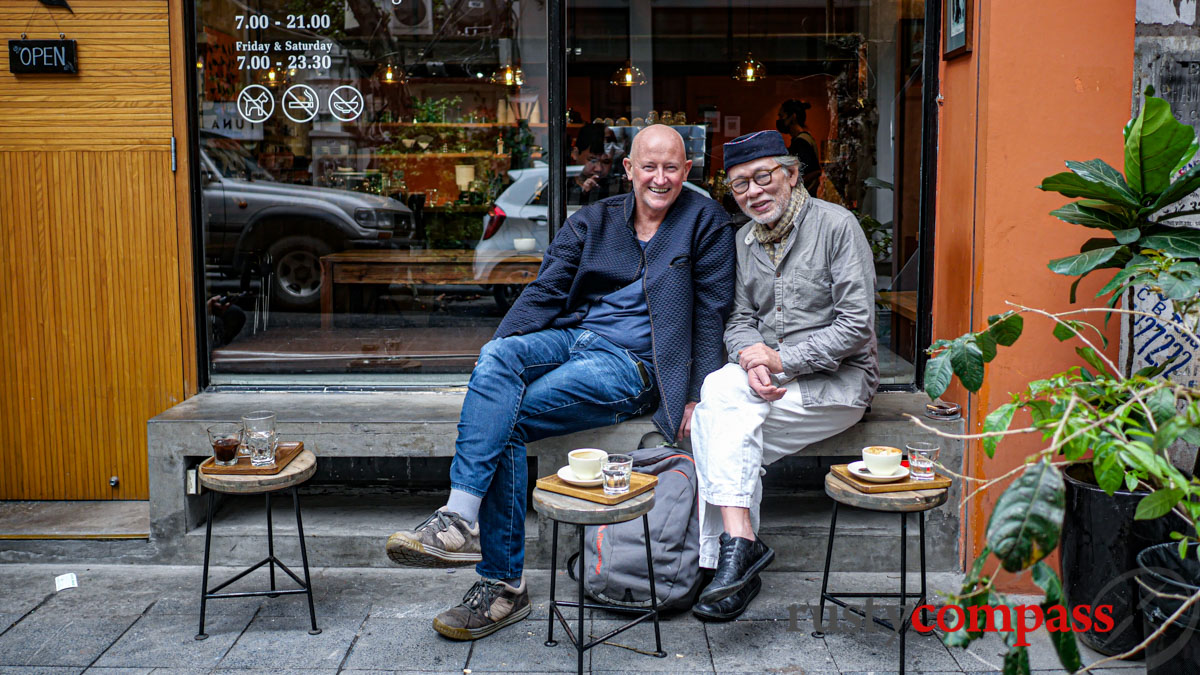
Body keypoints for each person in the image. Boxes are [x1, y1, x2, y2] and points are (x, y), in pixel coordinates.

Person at [385, 124, 736, 641]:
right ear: (629, 169)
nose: (659, 179)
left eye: (671, 168)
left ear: (687, 171)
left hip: (635, 365)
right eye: (649, 166)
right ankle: (461, 518)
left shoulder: (704, 222)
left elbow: (711, 313)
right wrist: (493, 364)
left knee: (503, 422)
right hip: (574, 337)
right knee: (499, 356)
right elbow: (545, 292)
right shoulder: (594, 221)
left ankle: (501, 583)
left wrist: (693, 394)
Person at [689, 130, 878, 621]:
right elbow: (738, 320)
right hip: (765, 384)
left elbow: (856, 327)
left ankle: (722, 563)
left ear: (792, 175)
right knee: (724, 409)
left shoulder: (837, 226)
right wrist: (752, 359)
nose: (752, 191)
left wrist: (780, 361)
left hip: (836, 385)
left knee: (717, 415)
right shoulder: (743, 241)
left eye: (762, 177)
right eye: (738, 185)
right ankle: (737, 558)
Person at [776, 99, 822, 193]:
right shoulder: (803, 139)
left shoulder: (801, 142)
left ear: (793, 117)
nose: (780, 120)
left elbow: (813, 172)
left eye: (781, 116)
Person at [568, 122, 618, 206]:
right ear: (575, 154)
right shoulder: (559, 186)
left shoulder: (617, 187)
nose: (599, 168)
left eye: (606, 162)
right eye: (592, 160)